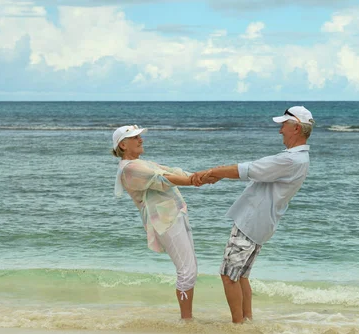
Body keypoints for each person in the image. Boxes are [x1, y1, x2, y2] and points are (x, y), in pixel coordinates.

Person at [192, 106, 314, 323]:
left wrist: (211, 173)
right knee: (241, 276)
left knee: (229, 276)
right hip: (261, 224)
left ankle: (238, 326)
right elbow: (252, 170)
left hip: (251, 222)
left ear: (296, 128)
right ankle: (246, 321)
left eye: (283, 126)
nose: (280, 131)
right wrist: (219, 174)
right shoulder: (299, 159)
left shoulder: (290, 160)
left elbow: (247, 169)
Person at [112, 124, 217, 319]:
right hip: (165, 220)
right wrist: (196, 180)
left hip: (173, 215)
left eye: (139, 136)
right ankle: (186, 320)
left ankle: (188, 318)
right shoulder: (131, 168)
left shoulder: (141, 163)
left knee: (190, 268)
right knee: (186, 270)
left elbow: (173, 171)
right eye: (135, 137)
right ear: (123, 145)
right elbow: (167, 178)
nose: (140, 139)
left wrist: (203, 175)